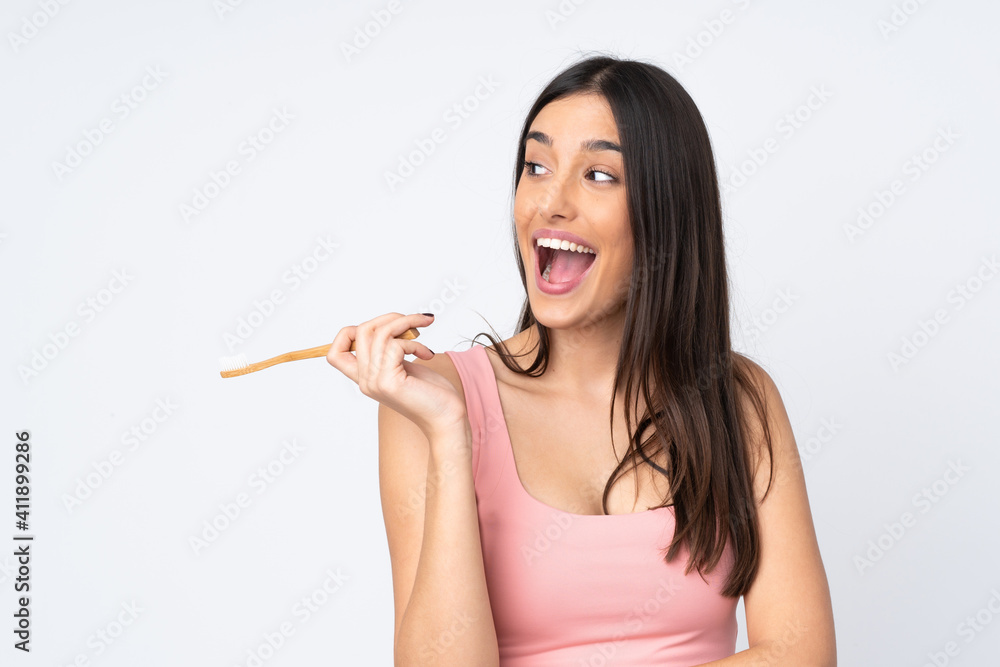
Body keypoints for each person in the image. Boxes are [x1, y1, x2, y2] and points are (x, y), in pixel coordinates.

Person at [326, 53, 836, 666]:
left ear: (666, 213)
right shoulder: (430, 399)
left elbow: (803, 658)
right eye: (536, 166)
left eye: (598, 176)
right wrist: (450, 439)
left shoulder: (739, 397)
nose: (551, 203)